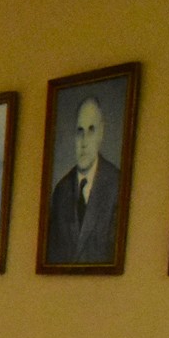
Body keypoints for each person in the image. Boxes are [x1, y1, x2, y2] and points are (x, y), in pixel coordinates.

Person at [46, 95, 122, 264]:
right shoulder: (60, 191)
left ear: (101, 133)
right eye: (79, 131)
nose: (84, 142)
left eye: (91, 130)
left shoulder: (117, 185)